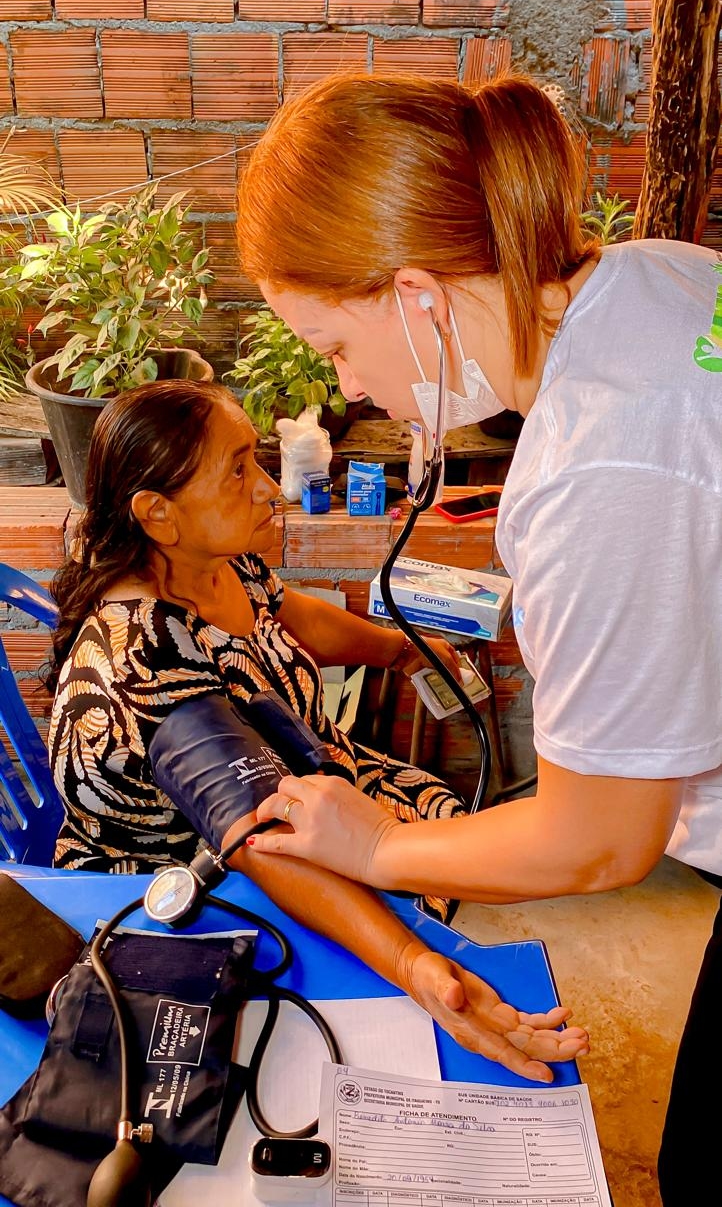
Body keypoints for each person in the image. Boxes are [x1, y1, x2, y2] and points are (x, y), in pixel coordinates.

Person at [236, 71, 722, 1201]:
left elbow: (598, 844)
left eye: (332, 344)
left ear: (416, 294)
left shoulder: (596, 467)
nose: (347, 385)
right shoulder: (658, 273)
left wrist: (377, 847)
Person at [47, 378, 588, 1082]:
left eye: (257, 458)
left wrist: (397, 648)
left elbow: (292, 616)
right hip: (191, 878)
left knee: (440, 821)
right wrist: (412, 963)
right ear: (158, 513)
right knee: (415, 890)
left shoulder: (214, 561)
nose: (270, 488)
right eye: (238, 470)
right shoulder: (146, 657)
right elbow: (257, 839)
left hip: (302, 774)